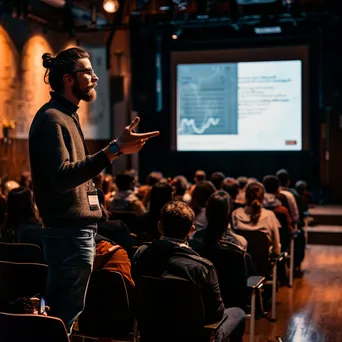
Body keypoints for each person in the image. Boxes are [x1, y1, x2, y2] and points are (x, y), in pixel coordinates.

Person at [28, 47, 159, 335]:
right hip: (68, 236)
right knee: (63, 316)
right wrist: (114, 149)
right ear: (68, 79)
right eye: (87, 71)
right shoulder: (52, 119)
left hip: (75, 233)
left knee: (67, 314)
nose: (95, 77)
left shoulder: (66, 115)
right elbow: (62, 178)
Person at [133, 201, 245, 342]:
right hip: (195, 337)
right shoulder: (202, 268)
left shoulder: (141, 254)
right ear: (191, 230)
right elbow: (216, 314)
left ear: (160, 226)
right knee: (238, 312)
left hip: (151, 333)